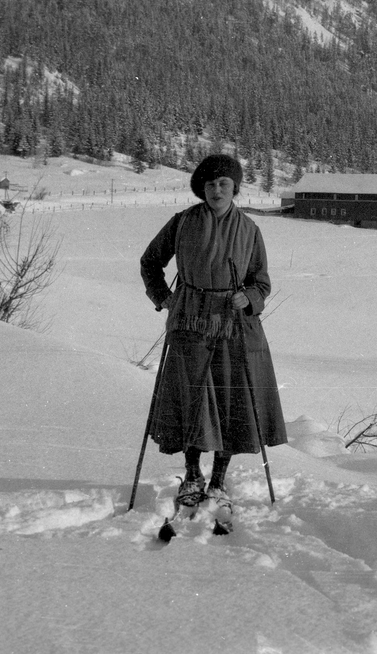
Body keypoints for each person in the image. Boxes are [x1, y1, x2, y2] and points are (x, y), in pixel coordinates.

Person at [139, 154, 286, 507]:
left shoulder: (249, 229)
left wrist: (247, 296)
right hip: (190, 320)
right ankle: (192, 475)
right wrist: (164, 298)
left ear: (235, 188)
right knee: (193, 399)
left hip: (235, 325)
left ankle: (219, 479)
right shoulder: (182, 223)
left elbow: (262, 283)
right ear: (200, 189)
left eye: (223, 184)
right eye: (209, 184)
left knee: (229, 398)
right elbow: (150, 262)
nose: (216, 190)